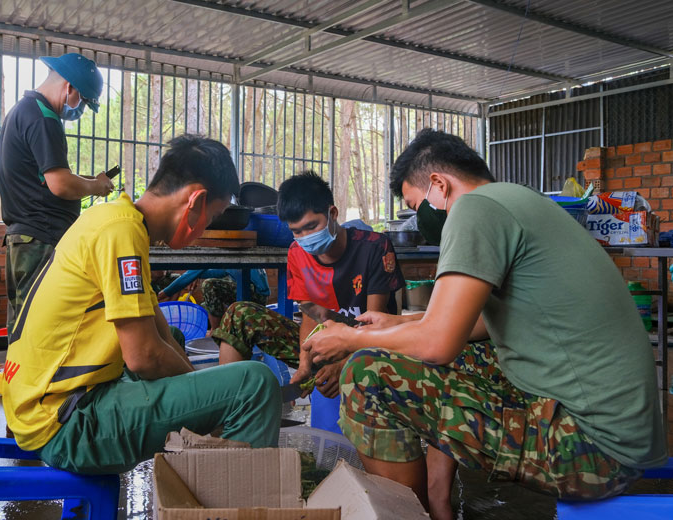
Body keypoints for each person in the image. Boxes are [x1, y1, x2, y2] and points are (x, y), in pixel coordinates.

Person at [303, 129, 667, 519]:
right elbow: (474, 323)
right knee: (430, 354)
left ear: (439, 184)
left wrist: (353, 341)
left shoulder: (475, 208)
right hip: (619, 433)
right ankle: (436, 499)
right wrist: (391, 324)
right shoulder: (517, 199)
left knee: (368, 374)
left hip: (591, 449)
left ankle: (413, 513)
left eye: (415, 203)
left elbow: (439, 342)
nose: (420, 216)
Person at [0, 135, 281, 474]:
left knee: (171, 336)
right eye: (212, 217)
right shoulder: (121, 232)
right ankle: (232, 497)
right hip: (66, 424)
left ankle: (210, 467)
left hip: (44, 406)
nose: (206, 228)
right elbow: (143, 356)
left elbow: (161, 333)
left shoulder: (119, 220)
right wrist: (210, 403)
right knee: (255, 384)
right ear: (196, 201)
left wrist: (205, 400)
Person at [214, 171, 404, 399]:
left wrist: (344, 362)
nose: (305, 237)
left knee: (371, 355)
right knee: (239, 314)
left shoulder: (375, 247)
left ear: (332, 213)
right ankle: (228, 405)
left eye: (312, 226)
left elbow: (377, 323)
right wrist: (305, 363)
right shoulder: (297, 252)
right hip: (326, 342)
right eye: (297, 231)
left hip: (373, 346)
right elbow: (309, 316)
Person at [0, 53, 115, 333]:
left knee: (24, 325)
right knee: (41, 327)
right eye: (83, 101)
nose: (80, 109)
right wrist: (96, 187)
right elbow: (60, 184)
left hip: (27, 237)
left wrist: (89, 180)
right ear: (69, 87)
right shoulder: (44, 118)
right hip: (42, 239)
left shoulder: (23, 110)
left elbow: (45, 176)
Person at [157, 269, 270, 330]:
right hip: (255, 294)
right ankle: (218, 329)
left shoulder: (230, 255)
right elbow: (197, 273)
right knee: (205, 304)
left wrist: (160, 296)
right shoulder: (227, 262)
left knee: (209, 285)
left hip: (255, 295)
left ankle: (216, 331)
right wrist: (195, 275)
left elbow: (189, 275)